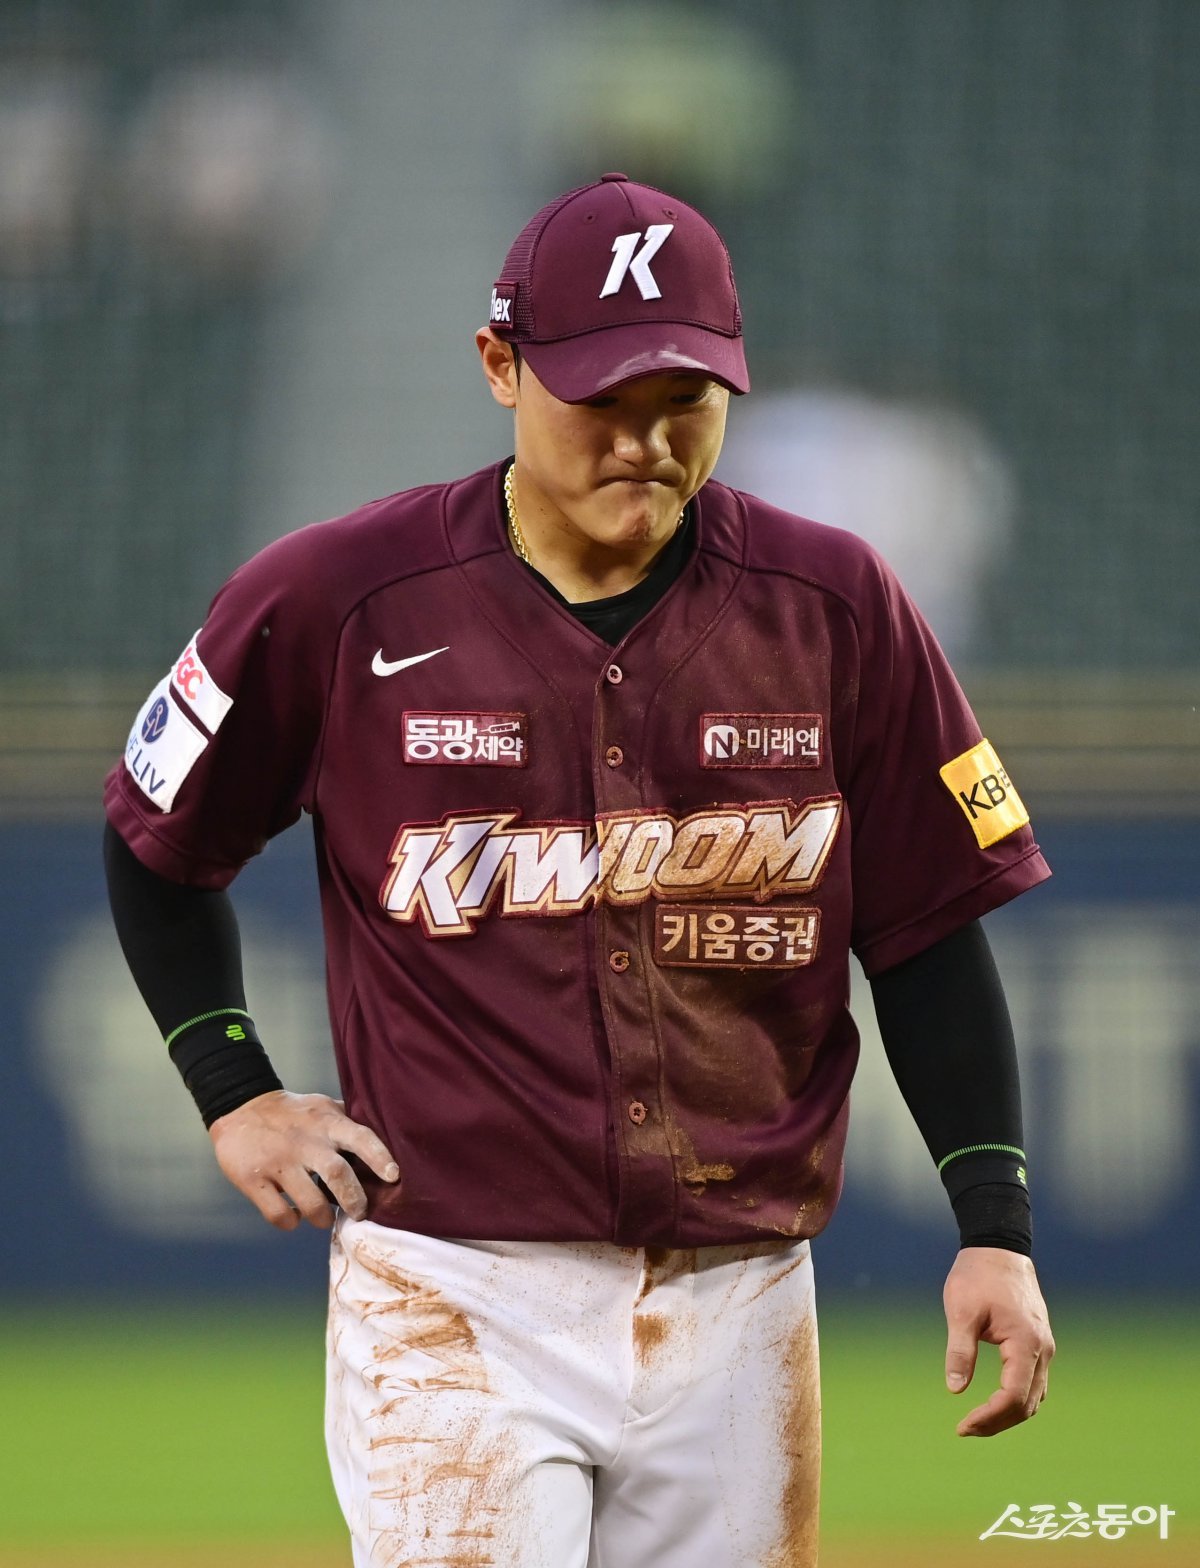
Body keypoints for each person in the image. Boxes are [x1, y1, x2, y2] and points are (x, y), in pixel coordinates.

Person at [104, 171, 1055, 1568]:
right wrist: (231, 1088)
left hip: (744, 1297)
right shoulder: (335, 598)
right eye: (601, 401)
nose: (646, 444)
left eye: (685, 402)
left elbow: (925, 937)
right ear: (501, 367)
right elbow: (154, 834)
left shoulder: (837, 605)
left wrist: (996, 1228)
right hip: (453, 1292)